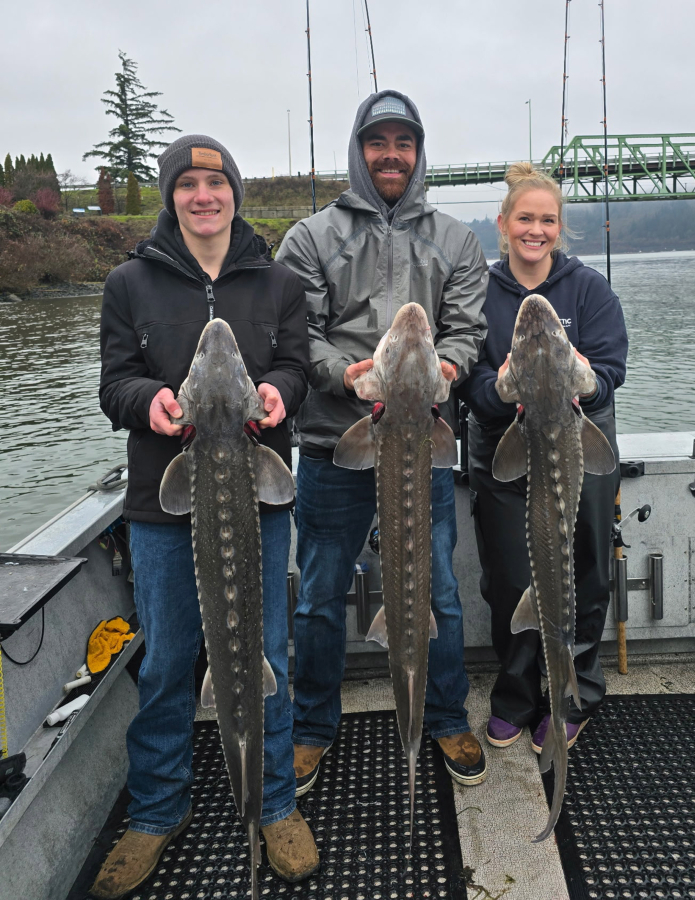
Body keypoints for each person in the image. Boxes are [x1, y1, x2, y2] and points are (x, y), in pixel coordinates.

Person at [93, 135, 317, 899]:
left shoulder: (278, 281)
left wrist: (282, 392)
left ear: (234, 195)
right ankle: (157, 811)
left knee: (268, 653)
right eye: (187, 184)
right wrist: (150, 403)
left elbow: (295, 367)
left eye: (215, 184)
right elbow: (115, 384)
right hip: (164, 503)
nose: (203, 196)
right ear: (172, 196)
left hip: (259, 499)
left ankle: (275, 804)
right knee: (167, 660)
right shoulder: (129, 281)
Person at [276, 90, 489, 792]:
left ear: (419, 153)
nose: (391, 154)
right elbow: (296, 335)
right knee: (318, 593)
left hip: (420, 443)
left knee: (440, 589)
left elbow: (467, 329)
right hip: (334, 442)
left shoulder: (456, 239)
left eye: (404, 142)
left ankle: (446, 714)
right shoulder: (310, 237)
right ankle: (312, 726)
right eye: (378, 142)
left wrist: (448, 368)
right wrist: (345, 376)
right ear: (359, 150)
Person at [458, 162, 627, 754]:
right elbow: (469, 383)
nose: (536, 230)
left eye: (547, 220)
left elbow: (611, 371)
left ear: (560, 227)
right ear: (503, 224)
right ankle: (516, 698)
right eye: (525, 219)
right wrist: (499, 388)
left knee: (587, 571)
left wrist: (587, 379)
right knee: (510, 579)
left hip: (579, 443)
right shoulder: (477, 292)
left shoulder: (589, 289)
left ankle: (573, 695)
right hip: (505, 446)